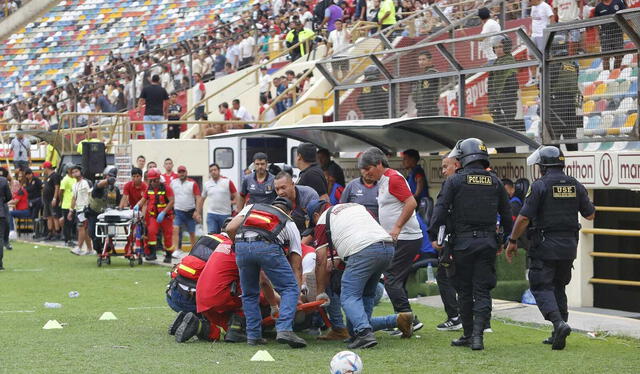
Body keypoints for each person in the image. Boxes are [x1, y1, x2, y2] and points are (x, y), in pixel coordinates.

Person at [506, 146, 595, 351]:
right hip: (569, 247)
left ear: (543, 166)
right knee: (558, 287)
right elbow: (590, 215)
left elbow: (524, 217)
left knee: (540, 286)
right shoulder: (575, 185)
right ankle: (557, 334)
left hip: (545, 245)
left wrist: (512, 240)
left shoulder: (539, 186)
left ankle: (558, 324)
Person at [428, 138, 513, 350]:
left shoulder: (454, 181)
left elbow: (439, 211)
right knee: (482, 291)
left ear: (463, 157)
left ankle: (468, 334)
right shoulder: (495, 182)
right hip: (487, 244)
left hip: (462, 244)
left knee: (465, 291)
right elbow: (507, 216)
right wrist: (502, 240)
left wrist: (434, 236)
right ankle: (478, 336)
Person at [307, 200, 414, 348]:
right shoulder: (355, 207)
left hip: (364, 249)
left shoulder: (322, 219)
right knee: (366, 295)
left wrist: (320, 292)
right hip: (387, 247)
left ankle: (364, 333)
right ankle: (358, 333)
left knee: (349, 296)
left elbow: (320, 260)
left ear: (316, 215)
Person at [226, 196, 307, 348]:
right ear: (290, 211)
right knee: (289, 288)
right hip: (268, 247)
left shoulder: (252, 208)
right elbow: (296, 264)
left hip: (242, 246)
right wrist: (296, 295)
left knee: (249, 293)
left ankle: (253, 336)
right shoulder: (288, 221)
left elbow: (230, 228)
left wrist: (240, 246)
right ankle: (284, 329)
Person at [358, 147, 423, 332]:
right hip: (397, 237)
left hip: (406, 237)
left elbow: (412, 203)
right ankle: (402, 320)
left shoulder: (393, 178)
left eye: (368, 169)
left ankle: (408, 319)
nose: (366, 175)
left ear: (379, 164)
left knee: (391, 279)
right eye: (363, 172)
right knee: (396, 280)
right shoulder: (383, 181)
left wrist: (396, 227)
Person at [167, 230, 231, 340]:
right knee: (221, 330)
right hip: (195, 301)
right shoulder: (230, 248)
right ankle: (199, 325)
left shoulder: (205, 239)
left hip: (172, 295)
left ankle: (186, 317)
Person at [433, 154, 462, 331]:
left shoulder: (452, 184)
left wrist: (436, 237)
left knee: (444, 276)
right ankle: (482, 322)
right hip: (479, 240)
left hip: (456, 241)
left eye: (446, 167)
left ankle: (455, 317)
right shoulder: (482, 181)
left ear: (456, 165)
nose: (443, 172)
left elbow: (442, 212)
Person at [135, 168, 175, 263]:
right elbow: (143, 199)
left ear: (158, 178)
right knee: (151, 232)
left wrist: (164, 212)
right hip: (153, 216)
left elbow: (172, 201)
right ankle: (152, 254)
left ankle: (168, 255)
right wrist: (137, 205)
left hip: (166, 217)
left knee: (168, 236)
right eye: (151, 180)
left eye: (155, 180)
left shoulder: (166, 188)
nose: (153, 182)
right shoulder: (149, 189)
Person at [548, 34, 580, 151]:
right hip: (571, 105)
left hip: (555, 105)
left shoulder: (552, 65)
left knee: (553, 139)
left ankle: (555, 165)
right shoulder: (573, 64)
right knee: (571, 138)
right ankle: (575, 165)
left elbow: (546, 85)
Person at [86, 166, 122, 253]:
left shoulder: (115, 189)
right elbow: (99, 185)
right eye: (109, 176)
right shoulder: (98, 185)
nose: (111, 179)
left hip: (108, 215)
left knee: (110, 233)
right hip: (94, 213)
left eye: (113, 177)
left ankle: (108, 246)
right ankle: (98, 248)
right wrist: (107, 181)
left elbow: (118, 203)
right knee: (93, 233)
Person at [488, 36, 519, 131]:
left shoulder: (509, 61)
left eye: (500, 47)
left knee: (507, 130)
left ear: (506, 47)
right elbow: (491, 84)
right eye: (496, 47)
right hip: (497, 101)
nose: (498, 50)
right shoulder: (497, 62)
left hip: (507, 101)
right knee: (498, 131)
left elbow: (512, 83)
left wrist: (504, 98)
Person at [170, 166, 202, 254]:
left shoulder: (192, 183)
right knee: (175, 229)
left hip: (190, 211)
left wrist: (197, 211)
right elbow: (170, 196)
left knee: (192, 233)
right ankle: (176, 250)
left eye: (183, 172)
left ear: (186, 172)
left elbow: (198, 197)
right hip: (178, 211)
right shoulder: (173, 183)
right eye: (180, 172)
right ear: (177, 173)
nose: (181, 174)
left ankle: (193, 252)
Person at [199, 163, 237, 234]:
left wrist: (234, 202)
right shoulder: (206, 184)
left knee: (225, 235)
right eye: (211, 170)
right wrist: (198, 212)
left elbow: (236, 195)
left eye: (215, 170)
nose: (213, 172)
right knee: (212, 235)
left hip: (225, 215)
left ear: (219, 171)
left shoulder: (227, 182)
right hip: (212, 214)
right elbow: (202, 199)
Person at [526, 0, 554, 87]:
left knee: (544, 56)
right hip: (534, 35)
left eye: (530, 0)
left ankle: (547, 75)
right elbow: (532, 20)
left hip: (542, 34)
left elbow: (552, 17)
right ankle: (534, 78)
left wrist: (550, 32)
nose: (529, 2)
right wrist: (530, 31)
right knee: (531, 55)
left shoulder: (545, 6)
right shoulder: (533, 7)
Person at [68, 165, 93, 256]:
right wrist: (71, 210)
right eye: (73, 172)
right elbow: (74, 198)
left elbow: (90, 195)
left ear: (80, 172)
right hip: (78, 209)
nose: (75, 173)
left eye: (76, 171)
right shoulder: (74, 185)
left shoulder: (86, 182)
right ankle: (90, 249)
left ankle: (79, 247)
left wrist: (90, 208)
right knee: (84, 230)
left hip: (85, 209)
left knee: (81, 227)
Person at [595, 0, 626, 70]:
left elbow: (625, 15)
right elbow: (595, 22)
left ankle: (616, 72)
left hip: (617, 33)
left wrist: (626, 28)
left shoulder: (618, 2)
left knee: (619, 56)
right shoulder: (598, 7)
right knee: (606, 57)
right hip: (605, 35)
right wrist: (598, 34)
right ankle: (606, 74)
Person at [139, 74, 169, 139]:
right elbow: (167, 102)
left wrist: (138, 110)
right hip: (159, 113)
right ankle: (157, 145)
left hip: (148, 113)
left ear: (151, 80)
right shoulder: (162, 90)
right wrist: (165, 112)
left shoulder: (146, 89)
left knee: (147, 131)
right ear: (159, 81)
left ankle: (148, 145)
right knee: (158, 131)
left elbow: (141, 100)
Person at [412, 51, 440, 117]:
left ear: (430, 61)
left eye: (423, 59)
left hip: (428, 109)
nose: (421, 62)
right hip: (423, 108)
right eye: (419, 60)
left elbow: (426, 93)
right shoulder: (424, 74)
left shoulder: (430, 74)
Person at [42, 161, 61, 241]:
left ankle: (57, 233)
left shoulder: (55, 175)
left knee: (55, 216)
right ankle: (50, 232)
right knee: (48, 216)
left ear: (46, 168)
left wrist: (55, 198)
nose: (44, 170)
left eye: (44, 168)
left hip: (52, 199)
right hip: (46, 200)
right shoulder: (47, 176)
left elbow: (57, 187)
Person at [59, 163, 77, 247]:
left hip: (74, 205)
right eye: (71, 169)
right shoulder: (65, 180)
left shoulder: (75, 179)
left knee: (72, 223)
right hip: (66, 205)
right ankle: (68, 239)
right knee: (67, 224)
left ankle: (71, 238)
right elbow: (61, 192)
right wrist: (62, 201)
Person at [0, 171, 10, 270]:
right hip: (1, 212)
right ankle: (0, 263)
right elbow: (9, 196)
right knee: (0, 238)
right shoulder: (3, 180)